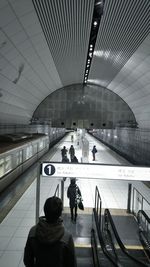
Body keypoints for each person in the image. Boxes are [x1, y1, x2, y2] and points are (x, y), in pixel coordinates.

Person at [24, 196, 77, 267]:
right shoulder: (66, 237)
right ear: (60, 214)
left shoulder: (33, 232)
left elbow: (27, 260)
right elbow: (71, 263)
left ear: (45, 210)